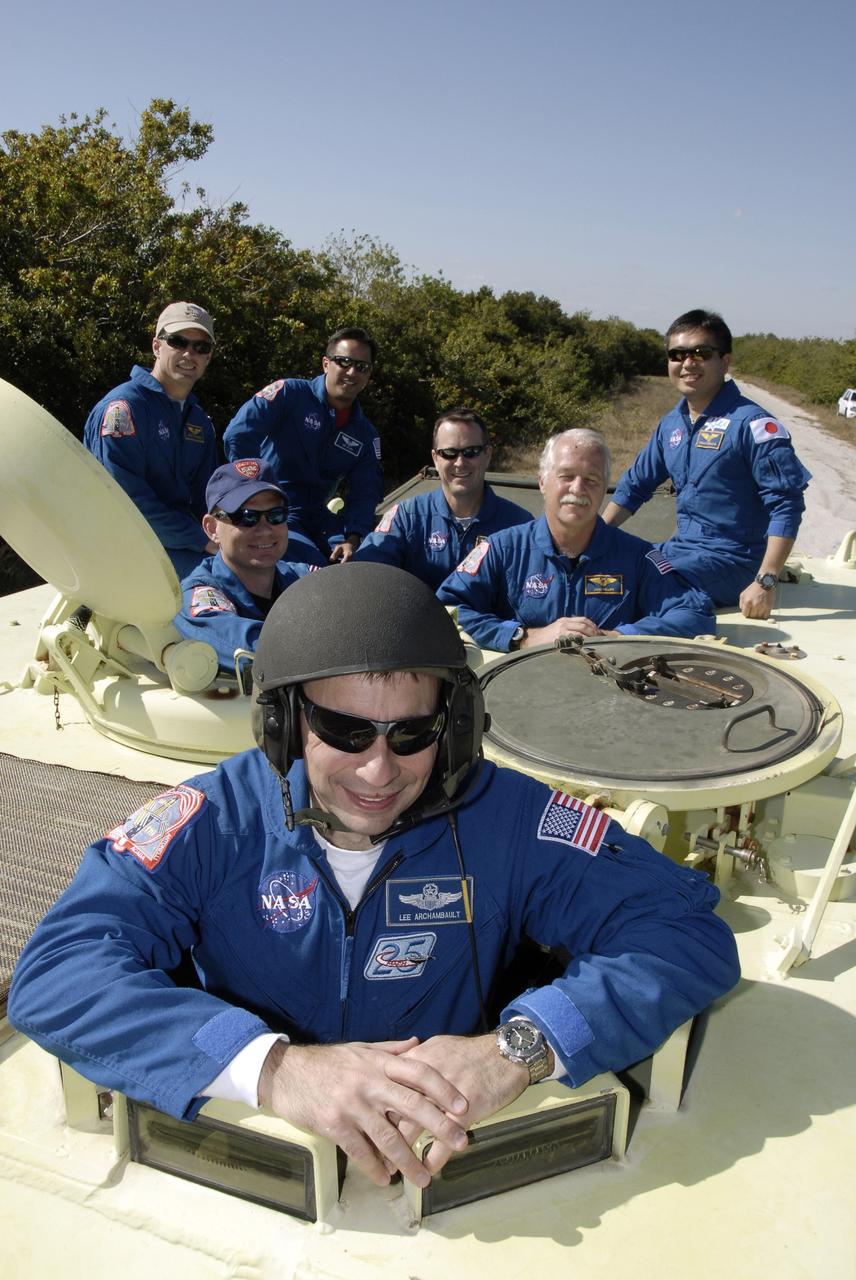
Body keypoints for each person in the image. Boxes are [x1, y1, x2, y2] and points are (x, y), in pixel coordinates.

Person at [9, 563, 738, 1191]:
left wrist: (521, 1047)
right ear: (285, 722)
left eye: (412, 734)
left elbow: (686, 935)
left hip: (445, 1171)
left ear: (451, 729)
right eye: (346, 731)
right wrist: (274, 1069)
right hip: (253, 1154)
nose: (378, 770)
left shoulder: (512, 820)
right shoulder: (212, 820)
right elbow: (58, 972)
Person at [602, 309, 811, 619]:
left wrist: (766, 582)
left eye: (701, 353)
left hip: (735, 562)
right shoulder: (672, 424)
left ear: (724, 362)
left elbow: (786, 505)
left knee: (633, 586)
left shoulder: (752, 425)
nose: (688, 362)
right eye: (678, 354)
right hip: (679, 551)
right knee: (605, 571)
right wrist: (593, 538)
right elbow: (635, 486)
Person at [437, 428, 716, 653]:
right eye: (566, 476)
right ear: (543, 482)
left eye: (591, 479)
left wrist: (619, 637)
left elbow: (696, 614)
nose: (578, 489)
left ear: (605, 488)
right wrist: (522, 637)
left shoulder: (637, 556)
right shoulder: (502, 549)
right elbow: (447, 608)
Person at [223, 327, 382, 567]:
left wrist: (353, 537)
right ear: (326, 363)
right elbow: (238, 435)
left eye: (361, 367)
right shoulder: (289, 394)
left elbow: (366, 492)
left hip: (319, 517)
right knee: (311, 568)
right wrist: (256, 494)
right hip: (275, 512)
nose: (351, 372)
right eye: (344, 362)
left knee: (359, 565)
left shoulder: (365, 434)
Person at [83, 301, 219, 579]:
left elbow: (208, 497)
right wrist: (202, 539)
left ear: (208, 357)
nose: (188, 353)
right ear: (157, 346)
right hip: (126, 551)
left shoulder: (199, 422)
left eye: (200, 347)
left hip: (186, 546)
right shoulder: (124, 409)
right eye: (178, 341)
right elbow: (125, 503)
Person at [354, 408, 533, 588]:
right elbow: (364, 574)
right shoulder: (406, 518)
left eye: (471, 451)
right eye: (449, 453)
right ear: (435, 459)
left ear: (487, 454)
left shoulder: (520, 526)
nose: (460, 463)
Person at [174, 459, 317, 673]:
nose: (265, 530)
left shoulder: (303, 577)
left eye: (276, 515)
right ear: (212, 528)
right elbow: (256, 651)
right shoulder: (199, 595)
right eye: (247, 517)